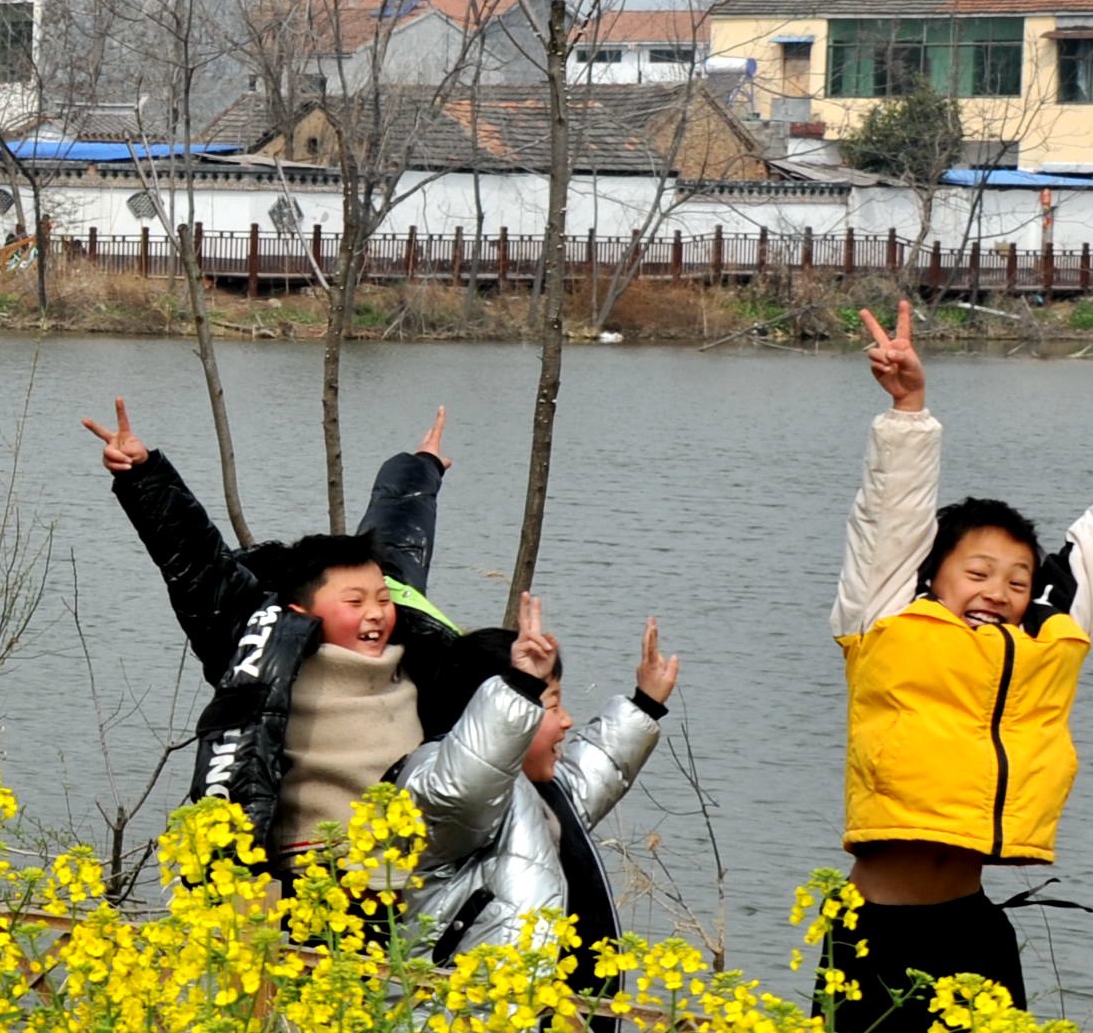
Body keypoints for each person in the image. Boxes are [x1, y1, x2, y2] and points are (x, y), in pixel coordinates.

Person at [827, 304, 1093, 1033]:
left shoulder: (1044, 638)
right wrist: (908, 412)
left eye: (1015, 579)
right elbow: (889, 519)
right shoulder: (885, 621)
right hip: (876, 930)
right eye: (977, 572)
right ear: (932, 575)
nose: (997, 591)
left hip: (971, 924)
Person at [84, 398, 543, 873]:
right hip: (303, 877)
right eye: (354, 602)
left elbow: (401, 530)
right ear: (300, 610)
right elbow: (197, 562)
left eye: (382, 600)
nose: (376, 614)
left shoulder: (412, 653)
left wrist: (420, 467)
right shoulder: (260, 648)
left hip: (399, 880)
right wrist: (142, 475)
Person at [405, 617, 681, 969]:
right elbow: (466, 787)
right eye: (552, 707)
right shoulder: (441, 783)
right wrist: (519, 687)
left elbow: (594, 773)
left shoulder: (539, 792)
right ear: (497, 715)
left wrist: (645, 704)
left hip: (536, 1014)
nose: (566, 720)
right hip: (462, 1012)